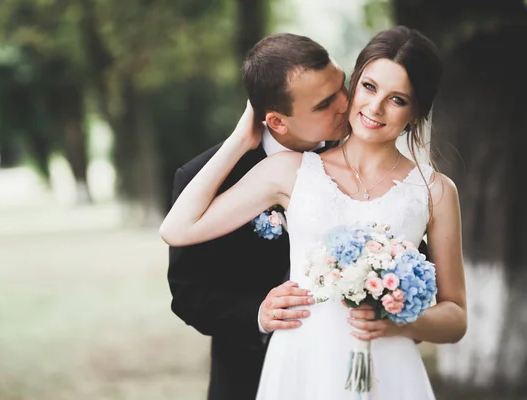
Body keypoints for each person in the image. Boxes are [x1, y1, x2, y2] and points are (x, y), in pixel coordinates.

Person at [161, 26, 467, 399]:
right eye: (368, 87)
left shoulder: (435, 191)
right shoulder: (292, 169)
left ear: (417, 111)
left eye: (397, 99)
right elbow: (177, 229)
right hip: (299, 365)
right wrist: (242, 139)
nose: (373, 107)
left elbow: (455, 317)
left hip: (390, 369)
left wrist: (400, 322)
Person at [166, 33, 349, 400]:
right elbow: (189, 293)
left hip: (343, 368)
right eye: (325, 103)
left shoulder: (357, 157)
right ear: (277, 122)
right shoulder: (205, 180)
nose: (345, 104)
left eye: (342, 85)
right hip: (249, 375)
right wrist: (258, 313)